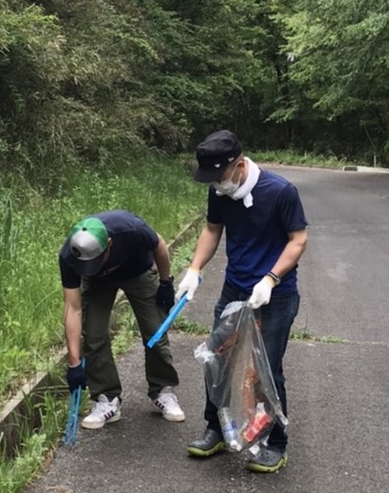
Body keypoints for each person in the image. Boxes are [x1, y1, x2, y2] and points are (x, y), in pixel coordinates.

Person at [176, 130, 308, 473]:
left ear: (239, 165)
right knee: (217, 358)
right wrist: (194, 268)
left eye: (220, 177)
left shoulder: (280, 192)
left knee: (266, 369)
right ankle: (216, 428)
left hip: (274, 295)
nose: (217, 185)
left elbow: (298, 240)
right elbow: (212, 229)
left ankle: (276, 443)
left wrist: (271, 278)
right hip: (234, 289)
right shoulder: (220, 191)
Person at [59, 210, 185, 429]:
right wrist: (74, 364)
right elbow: (72, 307)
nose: (95, 265)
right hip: (98, 283)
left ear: (109, 243)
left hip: (139, 272)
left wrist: (166, 282)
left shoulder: (130, 229)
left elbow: (160, 246)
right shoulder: (70, 255)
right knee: (93, 335)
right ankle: (107, 399)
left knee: (155, 330)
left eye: (98, 260)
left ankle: (162, 390)